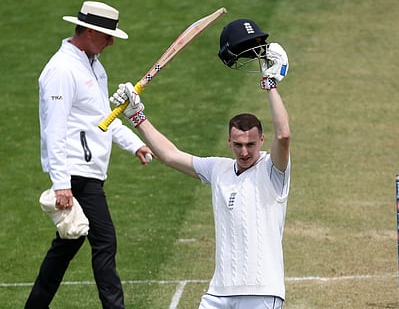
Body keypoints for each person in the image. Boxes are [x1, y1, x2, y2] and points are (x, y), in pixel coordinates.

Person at [111, 18, 290, 309]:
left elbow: (284, 135)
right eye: (238, 145)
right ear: (229, 143)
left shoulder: (274, 172)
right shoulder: (218, 169)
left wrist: (270, 85)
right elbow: (170, 155)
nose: (245, 151)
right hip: (219, 292)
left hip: (261, 291)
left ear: (261, 141)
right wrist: (136, 116)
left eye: (251, 145)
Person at [26, 1, 153, 309]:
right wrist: (61, 183)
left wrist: (134, 143)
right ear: (89, 31)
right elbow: (54, 129)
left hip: (90, 171)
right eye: (107, 36)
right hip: (76, 173)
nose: (111, 42)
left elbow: (102, 118)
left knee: (68, 243)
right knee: (105, 240)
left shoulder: (94, 66)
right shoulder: (60, 70)